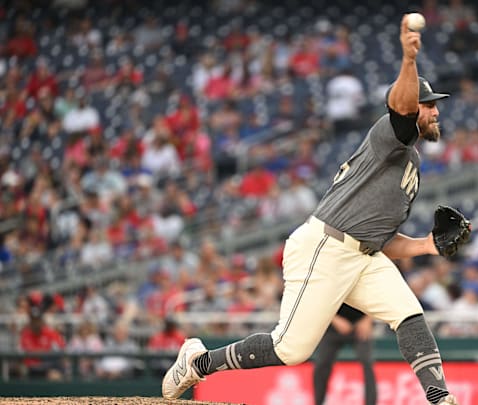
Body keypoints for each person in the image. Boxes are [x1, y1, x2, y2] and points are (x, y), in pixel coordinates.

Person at [163, 15, 461, 405]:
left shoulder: (412, 166)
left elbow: (381, 237)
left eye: (435, 106)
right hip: (326, 246)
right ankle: (199, 363)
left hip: (363, 254)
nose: (436, 111)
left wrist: (426, 246)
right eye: (429, 105)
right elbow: (400, 107)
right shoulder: (391, 137)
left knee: (408, 312)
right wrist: (408, 60)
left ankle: (439, 398)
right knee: (290, 349)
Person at [313, 304, 376, 405]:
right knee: (321, 363)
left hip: (360, 323)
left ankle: (371, 403)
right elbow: (318, 300)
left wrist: (368, 319)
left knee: (367, 361)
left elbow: (376, 297)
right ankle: (318, 402)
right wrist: (335, 319)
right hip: (332, 325)